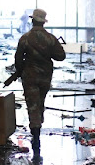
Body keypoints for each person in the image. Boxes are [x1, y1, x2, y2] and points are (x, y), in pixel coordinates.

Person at [5, 8, 65, 147]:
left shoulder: (25, 38)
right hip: (45, 76)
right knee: (40, 101)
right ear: (44, 23)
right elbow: (61, 57)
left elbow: (18, 58)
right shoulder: (51, 38)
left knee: (32, 103)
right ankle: (38, 125)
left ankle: (35, 132)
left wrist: (19, 71)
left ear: (32, 21)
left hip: (29, 76)